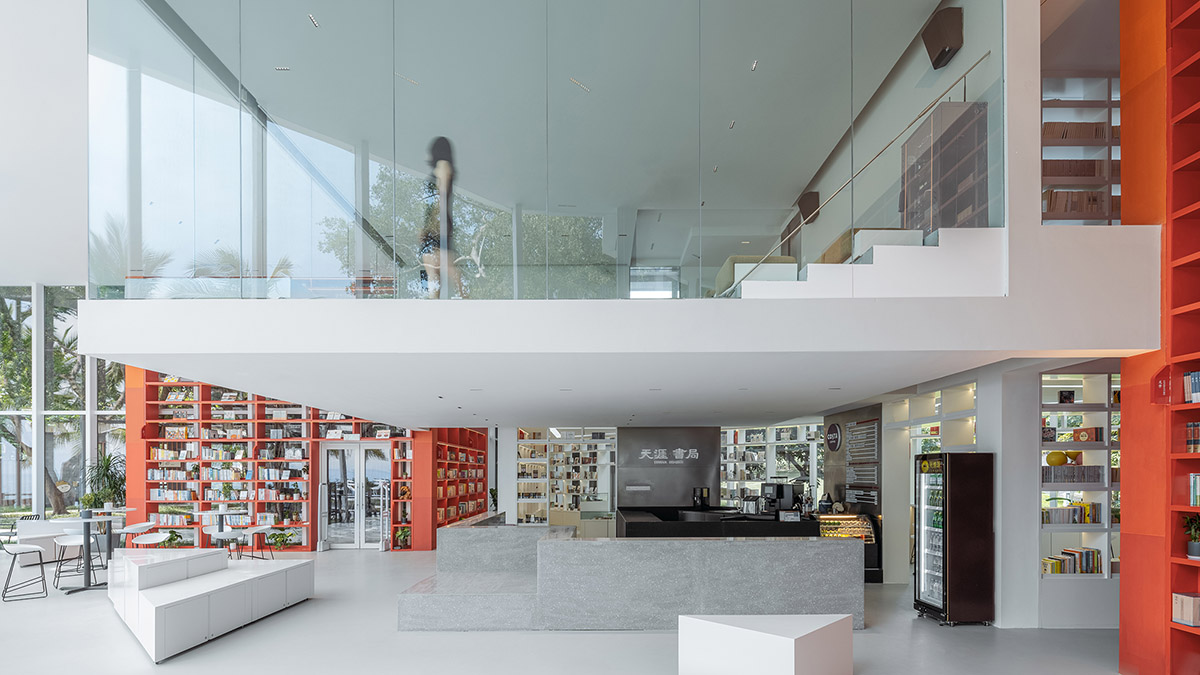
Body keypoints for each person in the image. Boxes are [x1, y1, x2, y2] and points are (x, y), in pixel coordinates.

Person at [419, 136, 466, 299]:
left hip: (438, 226)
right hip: (436, 226)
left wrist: (430, 223)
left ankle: (466, 301)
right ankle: (437, 309)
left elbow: (441, 194)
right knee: (435, 273)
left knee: (445, 270)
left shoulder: (442, 165)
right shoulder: (443, 166)